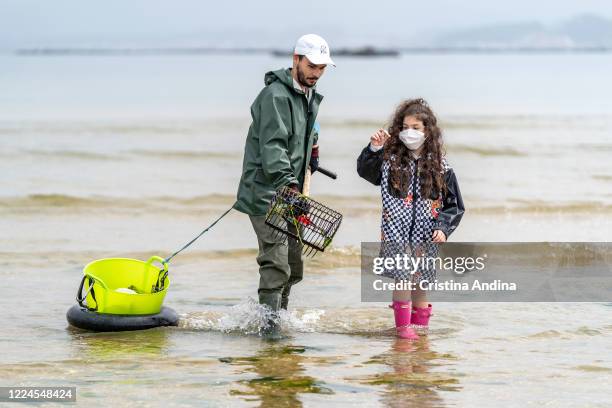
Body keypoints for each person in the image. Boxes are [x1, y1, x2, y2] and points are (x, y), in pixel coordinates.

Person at [233, 34, 335, 335]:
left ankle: (278, 320)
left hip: (290, 193)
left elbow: (307, 131)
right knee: (276, 264)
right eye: (312, 65)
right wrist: (287, 182)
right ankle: (270, 333)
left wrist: (313, 152)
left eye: (322, 68)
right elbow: (273, 146)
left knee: (294, 265)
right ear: (296, 60)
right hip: (267, 192)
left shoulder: (306, 95)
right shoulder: (275, 96)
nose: (316, 72)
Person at [357, 98, 465, 340]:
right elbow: (366, 172)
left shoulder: (441, 167)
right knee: (402, 276)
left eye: (416, 128)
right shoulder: (389, 160)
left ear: (428, 131)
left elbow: (454, 205)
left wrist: (443, 228)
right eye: (405, 127)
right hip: (395, 230)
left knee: (420, 283)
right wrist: (374, 149)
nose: (410, 132)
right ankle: (403, 329)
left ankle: (420, 329)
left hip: (426, 235)